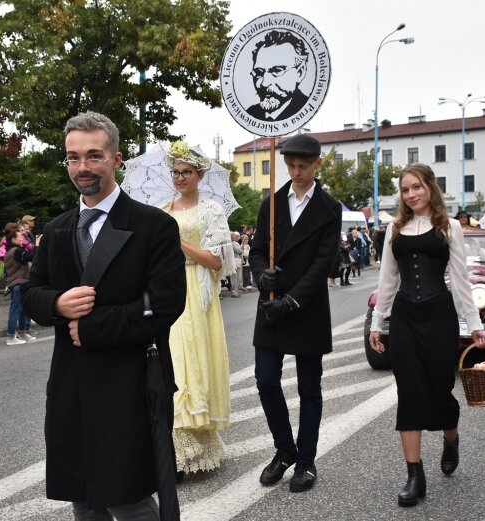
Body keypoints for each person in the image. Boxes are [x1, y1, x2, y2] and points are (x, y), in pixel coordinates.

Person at [21, 111, 186, 521]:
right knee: (83, 497)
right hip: (70, 384)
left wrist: (92, 326)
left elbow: (165, 304)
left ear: (116, 159)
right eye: (73, 158)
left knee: (128, 498)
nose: (82, 168)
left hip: (129, 381)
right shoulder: (58, 229)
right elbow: (29, 293)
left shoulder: (154, 226)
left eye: (94, 156)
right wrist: (57, 304)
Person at [368, 163, 485, 508]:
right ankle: (414, 475)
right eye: (405, 190)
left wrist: (475, 325)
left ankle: (451, 439)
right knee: (408, 391)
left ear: (430, 188)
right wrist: (377, 323)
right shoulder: (394, 228)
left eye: (416, 187)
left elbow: (461, 279)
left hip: (440, 315)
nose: (411, 195)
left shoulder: (450, 226)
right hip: (405, 317)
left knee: (440, 389)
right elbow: (388, 280)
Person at [249, 133, 342, 493]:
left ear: (318, 164)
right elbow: (257, 250)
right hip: (270, 304)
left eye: (304, 165)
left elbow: (323, 265)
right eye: (290, 165)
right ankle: (284, 450)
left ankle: (305, 460)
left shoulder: (330, 208)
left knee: (309, 388)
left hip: (307, 308)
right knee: (266, 380)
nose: (297, 171)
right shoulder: (270, 203)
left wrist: (293, 300)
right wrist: (260, 275)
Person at [162, 140, 234, 479]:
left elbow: (216, 260)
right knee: (172, 361)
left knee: (190, 359)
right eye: (175, 172)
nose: (179, 178)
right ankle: (175, 446)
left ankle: (193, 443)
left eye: (186, 172)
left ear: (199, 174)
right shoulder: (163, 209)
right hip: (168, 289)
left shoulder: (211, 211)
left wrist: (179, 245)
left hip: (195, 289)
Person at [245, 30, 310, 122]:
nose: (264, 83)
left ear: (300, 72)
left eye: (277, 71)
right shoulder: (251, 113)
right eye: (259, 72)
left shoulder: (306, 108)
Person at [3, 224, 37, 345]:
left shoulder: (13, 250)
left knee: (23, 309)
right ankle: (11, 337)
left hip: (21, 283)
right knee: (16, 309)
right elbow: (30, 256)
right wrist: (37, 246)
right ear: (13, 239)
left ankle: (22, 332)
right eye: (19, 236)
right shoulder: (16, 251)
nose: (22, 238)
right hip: (17, 283)